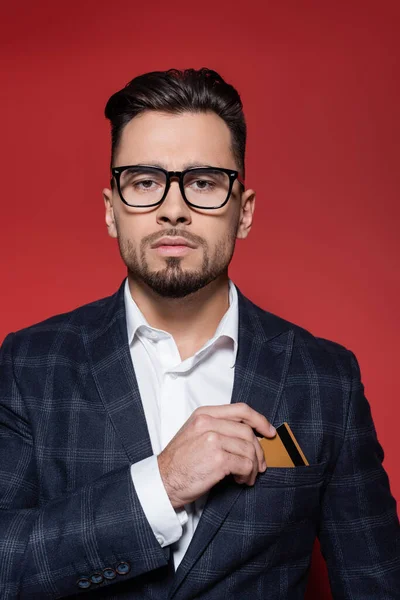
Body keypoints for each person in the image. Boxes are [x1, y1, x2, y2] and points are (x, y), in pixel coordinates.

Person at [0, 68, 398, 600]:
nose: (172, 208)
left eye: (204, 182)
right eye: (144, 182)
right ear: (110, 210)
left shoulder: (326, 379)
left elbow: (376, 584)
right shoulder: (28, 364)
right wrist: (160, 486)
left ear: (245, 212)